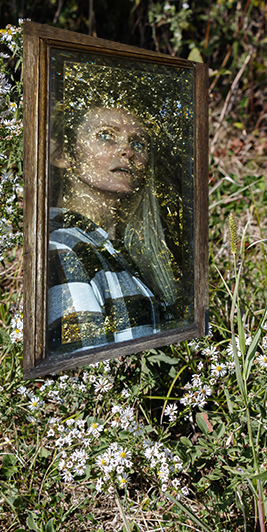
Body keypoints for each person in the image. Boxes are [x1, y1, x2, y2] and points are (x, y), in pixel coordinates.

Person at [47, 101, 183, 355]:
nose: (127, 151)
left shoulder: (122, 249)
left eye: (138, 143)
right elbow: (89, 376)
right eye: (106, 135)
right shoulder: (62, 247)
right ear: (62, 154)